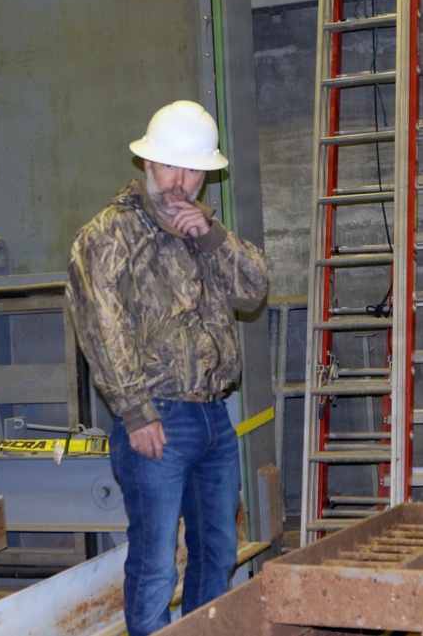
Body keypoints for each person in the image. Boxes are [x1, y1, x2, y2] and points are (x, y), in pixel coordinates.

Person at [65, 100, 269, 636]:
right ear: (148, 164)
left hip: (212, 420)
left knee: (217, 550)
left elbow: (253, 289)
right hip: (158, 420)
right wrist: (135, 412)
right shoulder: (108, 236)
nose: (182, 181)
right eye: (172, 166)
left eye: (195, 169)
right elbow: (101, 329)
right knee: (156, 563)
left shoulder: (201, 230)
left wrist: (211, 236)